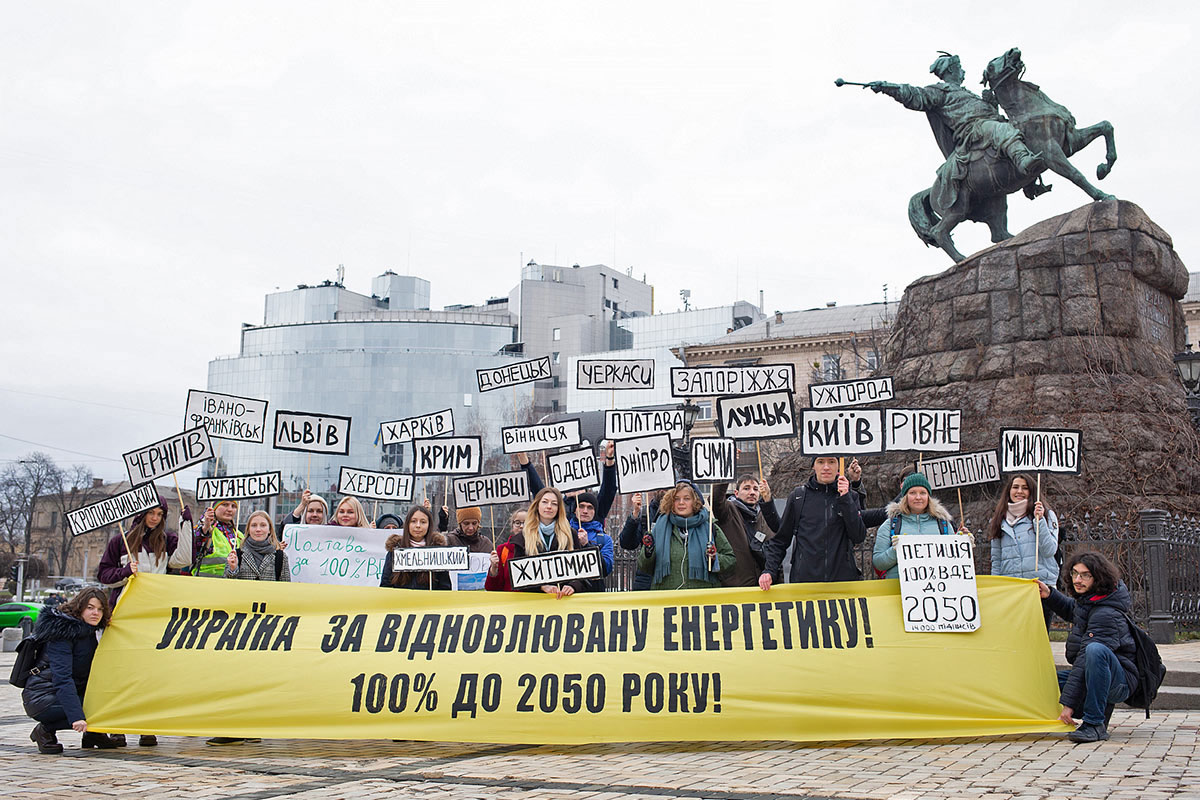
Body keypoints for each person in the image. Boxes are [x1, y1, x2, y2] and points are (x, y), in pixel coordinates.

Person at [870, 52, 1045, 208]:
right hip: (973, 131)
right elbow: (915, 96)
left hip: (989, 125)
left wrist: (991, 104)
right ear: (950, 70)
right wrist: (887, 87)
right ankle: (1023, 160)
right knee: (1002, 130)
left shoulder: (966, 92)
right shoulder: (939, 91)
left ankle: (1030, 182)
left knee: (1023, 131)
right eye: (960, 67)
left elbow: (986, 112)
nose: (963, 71)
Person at [1038, 551, 1138, 743]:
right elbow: (1074, 610)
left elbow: (1084, 660)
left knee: (1094, 650)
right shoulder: (1093, 600)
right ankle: (1094, 712)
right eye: (1075, 573)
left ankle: (1094, 724)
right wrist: (1050, 595)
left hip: (1120, 682)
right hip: (1095, 674)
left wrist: (1068, 704)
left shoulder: (1106, 613)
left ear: (1098, 577)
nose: (1077, 580)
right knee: (1042, 681)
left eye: (1085, 575)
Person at [23, 588, 118, 754]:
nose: (96, 613)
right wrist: (77, 717)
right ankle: (44, 730)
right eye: (90, 608)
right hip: (42, 697)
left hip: (61, 693)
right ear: (79, 607)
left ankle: (93, 734)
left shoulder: (89, 630)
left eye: (100, 609)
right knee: (100, 708)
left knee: (111, 702)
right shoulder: (62, 635)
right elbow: (62, 678)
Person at [517, 444, 617, 591]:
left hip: (592, 593)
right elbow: (539, 491)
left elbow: (608, 490)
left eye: (589, 508)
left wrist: (609, 460)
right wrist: (524, 461)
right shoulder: (562, 523)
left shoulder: (599, 525)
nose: (585, 511)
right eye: (580, 506)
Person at [760, 456, 867, 589]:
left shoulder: (850, 496)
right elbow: (781, 540)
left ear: (839, 466)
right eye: (820, 462)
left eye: (831, 462)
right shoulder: (798, 497)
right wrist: (769, 571)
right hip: (805, 585)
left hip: (843, 584)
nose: (826, 467)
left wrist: (845, 499)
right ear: (813, 466)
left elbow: (858, 536)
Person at [990, 473, 1060, 628]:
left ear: (1032, 491)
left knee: (1039, 638)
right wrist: (996, 589)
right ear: (1009, 491)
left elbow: (1050, 550)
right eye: (1015, 487)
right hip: (1012, 592)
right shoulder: (999, 520)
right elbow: (996, 560)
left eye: (1025, 488)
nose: (1019, 491)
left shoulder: (1047, 515)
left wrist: (1039, 521)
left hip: (1040, 589)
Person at [486, 487, 586, 596]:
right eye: (545, 502)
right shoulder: (522, 538)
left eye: (554, 503)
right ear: (537, 505)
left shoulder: (570, 534)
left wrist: (573, 585)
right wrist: (541, 586)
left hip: (564, 601)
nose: (549, 506)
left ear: (559, 508)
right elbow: (517, 576)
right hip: (534, 602)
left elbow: (582, 572)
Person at [96, 495, 191, 606]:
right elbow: (103, 575)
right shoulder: (121, 541)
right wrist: (125, 572)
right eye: (151, 512)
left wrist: (186, 524)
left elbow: (184, 560)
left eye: (159, 514)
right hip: (127, 607)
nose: (155, 518)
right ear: (142, 513)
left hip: (157, 606)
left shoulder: (167, 540)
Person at [639, 481, 734, 590]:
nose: (681, 503)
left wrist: (714, 559)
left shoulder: (710, 527)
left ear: (695, 501)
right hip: (668, 596)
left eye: (687, 498)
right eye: (676, 499)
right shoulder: (658, 528)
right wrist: (648, 552)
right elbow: (644, 567)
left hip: (701, 596)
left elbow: (731, 561)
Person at [872, 473, 958, 579]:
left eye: (923, 493)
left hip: (937, 586)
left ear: (928, 496)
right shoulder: (890, 525)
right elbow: (878, 563)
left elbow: (955, 560)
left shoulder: (943, 524)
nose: (918, 497)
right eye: (912, 493)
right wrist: (895, 550)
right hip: (898, 587)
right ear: (905, 497)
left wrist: (963, 543)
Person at [711, 474, 780, 587]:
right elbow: (716, 499)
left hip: (765, 588)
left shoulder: (766, 515)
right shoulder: (728, 511)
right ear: (736, 493)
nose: (752, 492)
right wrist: (726, 472)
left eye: (756, 489)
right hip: (737, 587)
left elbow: (777, 548)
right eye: (746, 488)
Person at [381, 506, 450, 590]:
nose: (418, 525)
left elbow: (445, 587)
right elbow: (385, 585)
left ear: (429, 525)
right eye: (413, 521)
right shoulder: (395, 550)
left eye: (423, 522)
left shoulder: (438, 551)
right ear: (407, 524)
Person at [173, 497, 244, 577]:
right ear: (214, 508)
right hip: (204, 580)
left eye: (233, 506)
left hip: (230, 582)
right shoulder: (205, 528)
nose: (230, 509)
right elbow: (192, 546)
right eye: (225, 504)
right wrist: (205, 528)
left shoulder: (239, 535)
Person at [619, 489, 666, 590]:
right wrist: (635, 514)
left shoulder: (682, 513)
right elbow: (627, 543)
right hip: (647, 582)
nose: (663, 489)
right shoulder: (645, 513)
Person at [224, 511, 291, 582]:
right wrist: (233, 569)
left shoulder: (281, 556)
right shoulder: (236, 555)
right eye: (254, 525)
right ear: (248, 529)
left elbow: (286, 584)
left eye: (263, 525)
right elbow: (226, 584)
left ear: (269, 529)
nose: (258, 529)